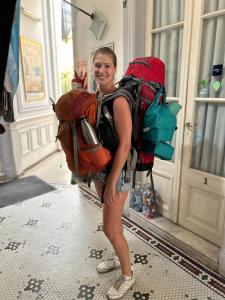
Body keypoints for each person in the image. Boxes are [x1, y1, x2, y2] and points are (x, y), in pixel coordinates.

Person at [93, 47, 135, 299]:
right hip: (102, 169)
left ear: (115, 68)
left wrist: (111, 183)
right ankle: (120, 258)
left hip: (118, 172)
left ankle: (128, 275)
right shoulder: (95, 98)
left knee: (109, 228)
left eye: (107, 65)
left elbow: (126, 144)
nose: (102, 70)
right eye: (97, 65)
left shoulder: (119, 100)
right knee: (113, 223)